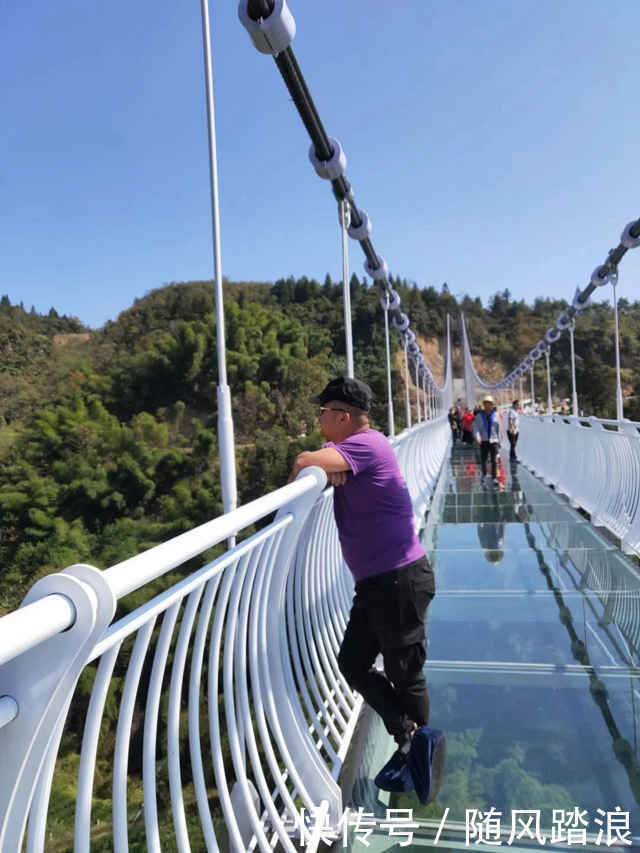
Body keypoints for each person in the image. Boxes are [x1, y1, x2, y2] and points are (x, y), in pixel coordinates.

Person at [289, 377, 435, 756]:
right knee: (352, 663)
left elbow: (305, 460)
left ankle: (423, 750)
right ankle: (404, 732)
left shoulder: (369, 444)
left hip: (400, 578)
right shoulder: (356, 445)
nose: (320, 420)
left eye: (322, 413)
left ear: (341, 415)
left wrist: (310, 460)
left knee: (405, 673)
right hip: (376, 583)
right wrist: (328, 454)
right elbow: (324, 455)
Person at [474, 395, 501, 484]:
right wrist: (478, 437)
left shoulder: (496, 415)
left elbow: (499, 428)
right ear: (484, 404)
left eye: (489, 404)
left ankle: (494, 477)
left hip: (494, 440)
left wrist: (499, 441)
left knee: (494, 460)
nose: (488, 405)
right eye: (486, 403)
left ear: (492, 405)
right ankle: (484, 475)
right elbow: (476, 428)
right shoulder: (479, 416)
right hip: (484, 440)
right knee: (484, 459)